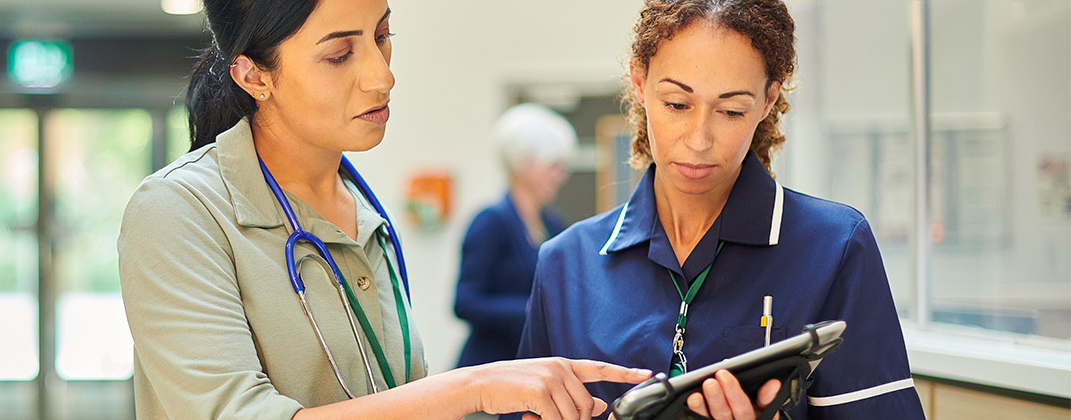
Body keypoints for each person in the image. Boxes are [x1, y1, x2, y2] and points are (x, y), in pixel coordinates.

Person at [118, 1, 651, 420]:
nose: (382, 77)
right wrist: (475, 387)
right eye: (338, 54)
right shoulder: (179, 212)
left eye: (381, 36)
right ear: (254, 75)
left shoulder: (365, 213)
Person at [510, 1, 925, 419]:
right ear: (639, 82)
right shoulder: (565, 263)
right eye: (676, 104)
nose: (699, 139)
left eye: (730, 110)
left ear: (767, 101)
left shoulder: (834, 247)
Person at [454, 103, 574, 369]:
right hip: (487, 368)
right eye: (553, 165)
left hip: (529, 365)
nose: (560, 175)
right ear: (523, 163)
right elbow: (465, 303)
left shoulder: (552, 224)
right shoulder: (490, 222)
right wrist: (530, 309)